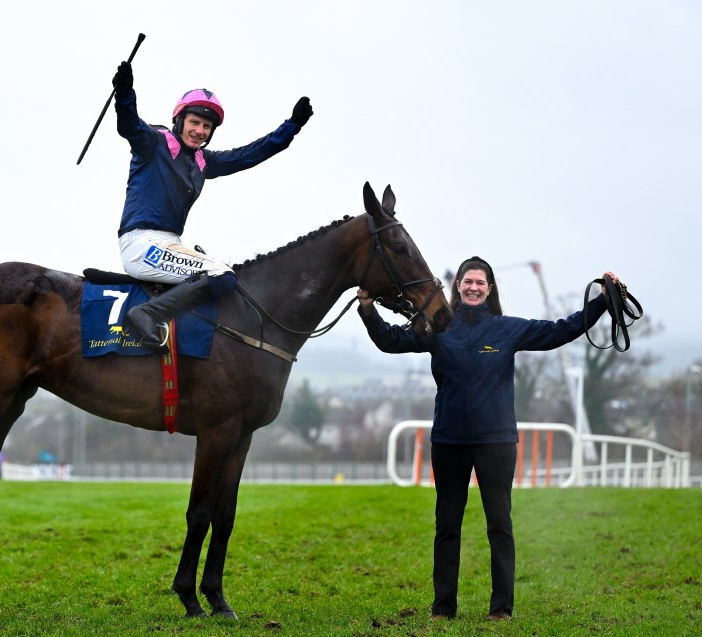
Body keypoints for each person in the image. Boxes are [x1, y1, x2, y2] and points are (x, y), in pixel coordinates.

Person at [356, 256, 619, 621]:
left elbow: (561, 330)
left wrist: (604, 300)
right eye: (468, 282)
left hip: (495, 441)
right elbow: (390, 340)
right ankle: (443, 608)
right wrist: (368, 309)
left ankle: (501, 609)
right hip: (448, 440)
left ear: (490, 288)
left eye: (480, 282)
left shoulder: (507, 329)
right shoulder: (436, 327)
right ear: (458, 287)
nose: (474, 287)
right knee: (447, 525)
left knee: (500, 524)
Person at [110, 60, 314, 349]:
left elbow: (249, 154)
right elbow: (129, 124)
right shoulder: (154, 143)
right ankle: (145, 314)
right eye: (194, 123)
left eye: (206, 126)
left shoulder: (204, 161)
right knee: (221, 275)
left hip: (170, 243)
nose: (199, 131)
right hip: (141, 244)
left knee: (221, 274)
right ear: (180, 121)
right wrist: (125, 92)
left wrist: (291, 127)